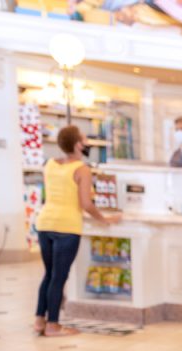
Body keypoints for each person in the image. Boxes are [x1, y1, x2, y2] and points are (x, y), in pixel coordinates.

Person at [33, 125, 121, 337]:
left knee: (48, 274)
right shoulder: (81, 169)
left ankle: (39, 319)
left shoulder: (50, 164)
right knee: (59, 277)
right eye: (84, 139)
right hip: (67, 226)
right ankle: (53, 325)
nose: (87, 142)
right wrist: (105, 219)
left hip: (45, 223)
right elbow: (86, 204)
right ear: (78, 144)